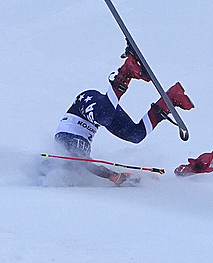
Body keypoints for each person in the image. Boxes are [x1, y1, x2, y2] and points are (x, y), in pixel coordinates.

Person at [53, 47, 194, 185]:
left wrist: (113, 176)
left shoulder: (64, 148)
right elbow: (91, 165)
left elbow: (85, 163)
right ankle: (169, 101)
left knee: (104, 117)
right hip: (100, 114)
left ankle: (125, 72)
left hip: (85, 104)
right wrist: (131, 178)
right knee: (135, 135)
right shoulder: (81, 161)